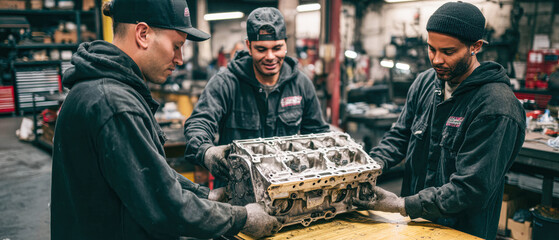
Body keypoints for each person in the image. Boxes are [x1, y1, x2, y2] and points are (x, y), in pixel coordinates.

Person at [51, 0, 280, 239]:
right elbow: (164, 206)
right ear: (143, 34)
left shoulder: (104, 90)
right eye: (177, 45)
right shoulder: (115, 104)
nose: (180, 59)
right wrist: (241, 218)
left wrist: (205, 196)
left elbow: (149, 175)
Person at [353, 2, 526, 239]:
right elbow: (400, 135)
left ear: (475, 47)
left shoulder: (496, 107)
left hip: (461, 230)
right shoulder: (426, 82)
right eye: (431, 49)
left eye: (448, 52)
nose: (436, 60)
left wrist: (401, 205)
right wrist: (368, 168)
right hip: (414, 225)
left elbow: (470, 188)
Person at [183, 7, 329, 188]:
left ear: (285, 44)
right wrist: (206, 151)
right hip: (236, 194)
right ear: (249, 46)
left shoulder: (301, 84)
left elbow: (319, 134)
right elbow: (199, 123)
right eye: (261, 49)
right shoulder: (225, 83)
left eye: (277, 48)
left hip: (287, 189)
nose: (270, 57)